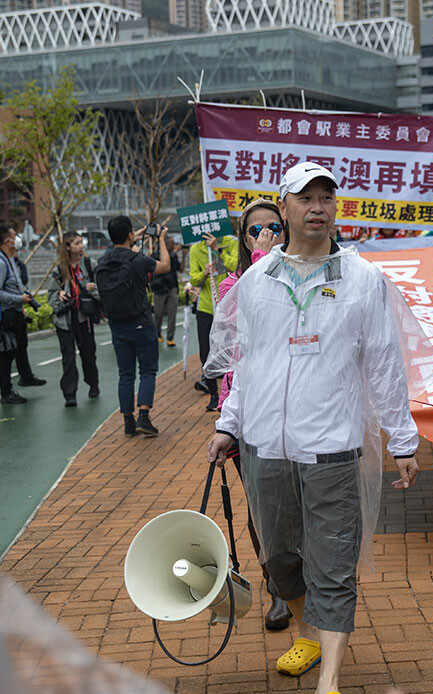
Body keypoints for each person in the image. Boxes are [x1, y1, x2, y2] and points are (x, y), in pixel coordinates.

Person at [205, 162, 425, 690]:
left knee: (332, 562)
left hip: (332, 446)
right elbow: (246, 362)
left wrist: (403, 438)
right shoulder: (257, 282)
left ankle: (329, 678)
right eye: (305, 198)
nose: (318, 207)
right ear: (284, 209)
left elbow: (385, 362)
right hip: (265, 447)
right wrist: (229, 424)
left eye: (327, 197)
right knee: (279, 557)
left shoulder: (363, 279)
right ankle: (305, 631)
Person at [215, 198, 292, 631]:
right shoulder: (232, 285)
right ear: (243, 241)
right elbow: (245, 332)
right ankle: (277, 588)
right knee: (264, 506)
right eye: (255, 230)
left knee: (298, 502)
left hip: (298, 410)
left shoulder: (309, 276)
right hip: (249, 415)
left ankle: (304, 583)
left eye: (275, 227)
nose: (266, 234)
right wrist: (265, 259)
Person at [97, 216, 171, 437]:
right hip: (140, 322)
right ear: (130, 235)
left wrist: (132, 237)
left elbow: (118, 249)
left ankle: (128, 423)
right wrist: (162, 239)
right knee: (147, 371)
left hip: (117, 325)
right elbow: (165, 266)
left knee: (125, 374)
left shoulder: (103, 261)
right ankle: (144, 418)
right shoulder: (138, 260)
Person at [48, 231, 100, 407]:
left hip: (84, 317)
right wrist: (59, 293)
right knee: (68, 356)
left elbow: (103, 289)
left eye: (81, 242)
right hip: (65, 319)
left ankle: (93, 383)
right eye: (76, 243)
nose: (81, 246)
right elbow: (51, 295)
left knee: (88, 353)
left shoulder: (89, 264)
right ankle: (70, 394)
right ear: (67, 247)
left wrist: (92, 289)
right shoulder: (59, 269)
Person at [190, 228, 238, 411]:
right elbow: (193, 279)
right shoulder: (196, 250)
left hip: (228, 308)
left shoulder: (231, 243)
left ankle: (230, 394)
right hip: (206, 309)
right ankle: (213, 394)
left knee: (230, 353)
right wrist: (203, 274)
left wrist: (218, 249)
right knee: (206, 353)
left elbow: (235, 266)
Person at [0, 224, 45, 404]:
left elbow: (15, 285)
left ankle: (18, 382)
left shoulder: (10, 260)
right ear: (6, 241)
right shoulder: (1, 262)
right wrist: (19, 300)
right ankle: (6, 392)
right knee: (6, 354)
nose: (17, 238)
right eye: (14, 235)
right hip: (6, 315)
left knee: (16, 350)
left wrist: (23, 304)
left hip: (16, 313)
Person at [151, 236, 181, 347]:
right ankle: (157, 333)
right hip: (159, 287)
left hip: (172, 286)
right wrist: (175, 252)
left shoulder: (173, 255)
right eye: (172, 244)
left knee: (172, 313)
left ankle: (170, 337)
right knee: (158, 313)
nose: (173, 246)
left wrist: (183, 255)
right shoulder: (157, 254)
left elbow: (180, 269)